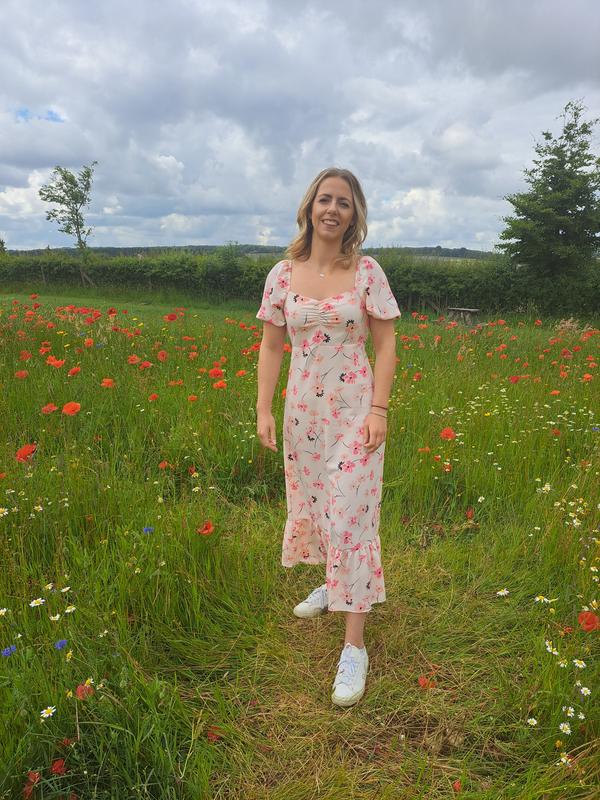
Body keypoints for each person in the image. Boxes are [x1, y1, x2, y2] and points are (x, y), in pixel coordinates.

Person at [255, 167, 400, 707]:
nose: (332, 209)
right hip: (302, 417)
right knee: (317, 505)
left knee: (352, 514)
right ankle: (333, 584)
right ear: (309, 207)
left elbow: (385, 346)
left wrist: (380, 409)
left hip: (355, 416)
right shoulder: (281, 274)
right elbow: (272, 346)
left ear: (354, 213)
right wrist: (264, 409)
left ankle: (354, 647)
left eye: (343, 201)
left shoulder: (366, 272)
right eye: (324, 199)